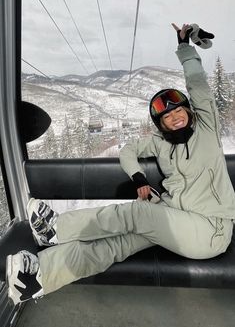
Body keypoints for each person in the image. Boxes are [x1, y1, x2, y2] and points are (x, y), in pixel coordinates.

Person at [6, 23, 235, 306]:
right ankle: (38, 277)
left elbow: (198, 84)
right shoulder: (159, 143)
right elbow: (128, 151)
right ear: (160, 124)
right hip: (176, 216)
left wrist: (186, 47)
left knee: (137, 215)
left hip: (211, 230)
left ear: (188, 111)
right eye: (167, 116)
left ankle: (57, 228)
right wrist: (139, 179)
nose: (175, 117)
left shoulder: (207, 130)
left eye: (179, 110)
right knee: (118, 244)